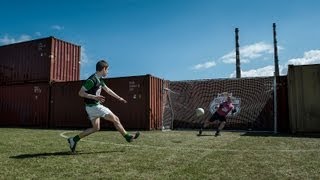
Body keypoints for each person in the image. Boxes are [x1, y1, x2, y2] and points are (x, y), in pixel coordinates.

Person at [67, 60, 139, 153]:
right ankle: (128, 137)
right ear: (103, 69)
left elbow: (108, 90)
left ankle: (74, 139)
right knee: (115, 119)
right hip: (94, 107)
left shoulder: (99, 79)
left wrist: (119, 98)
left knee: (96, 128)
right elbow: (80, 93)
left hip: (91, 107)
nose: (108, 72)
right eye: (107, 70)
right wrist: (95, 97)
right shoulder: (92, 80)